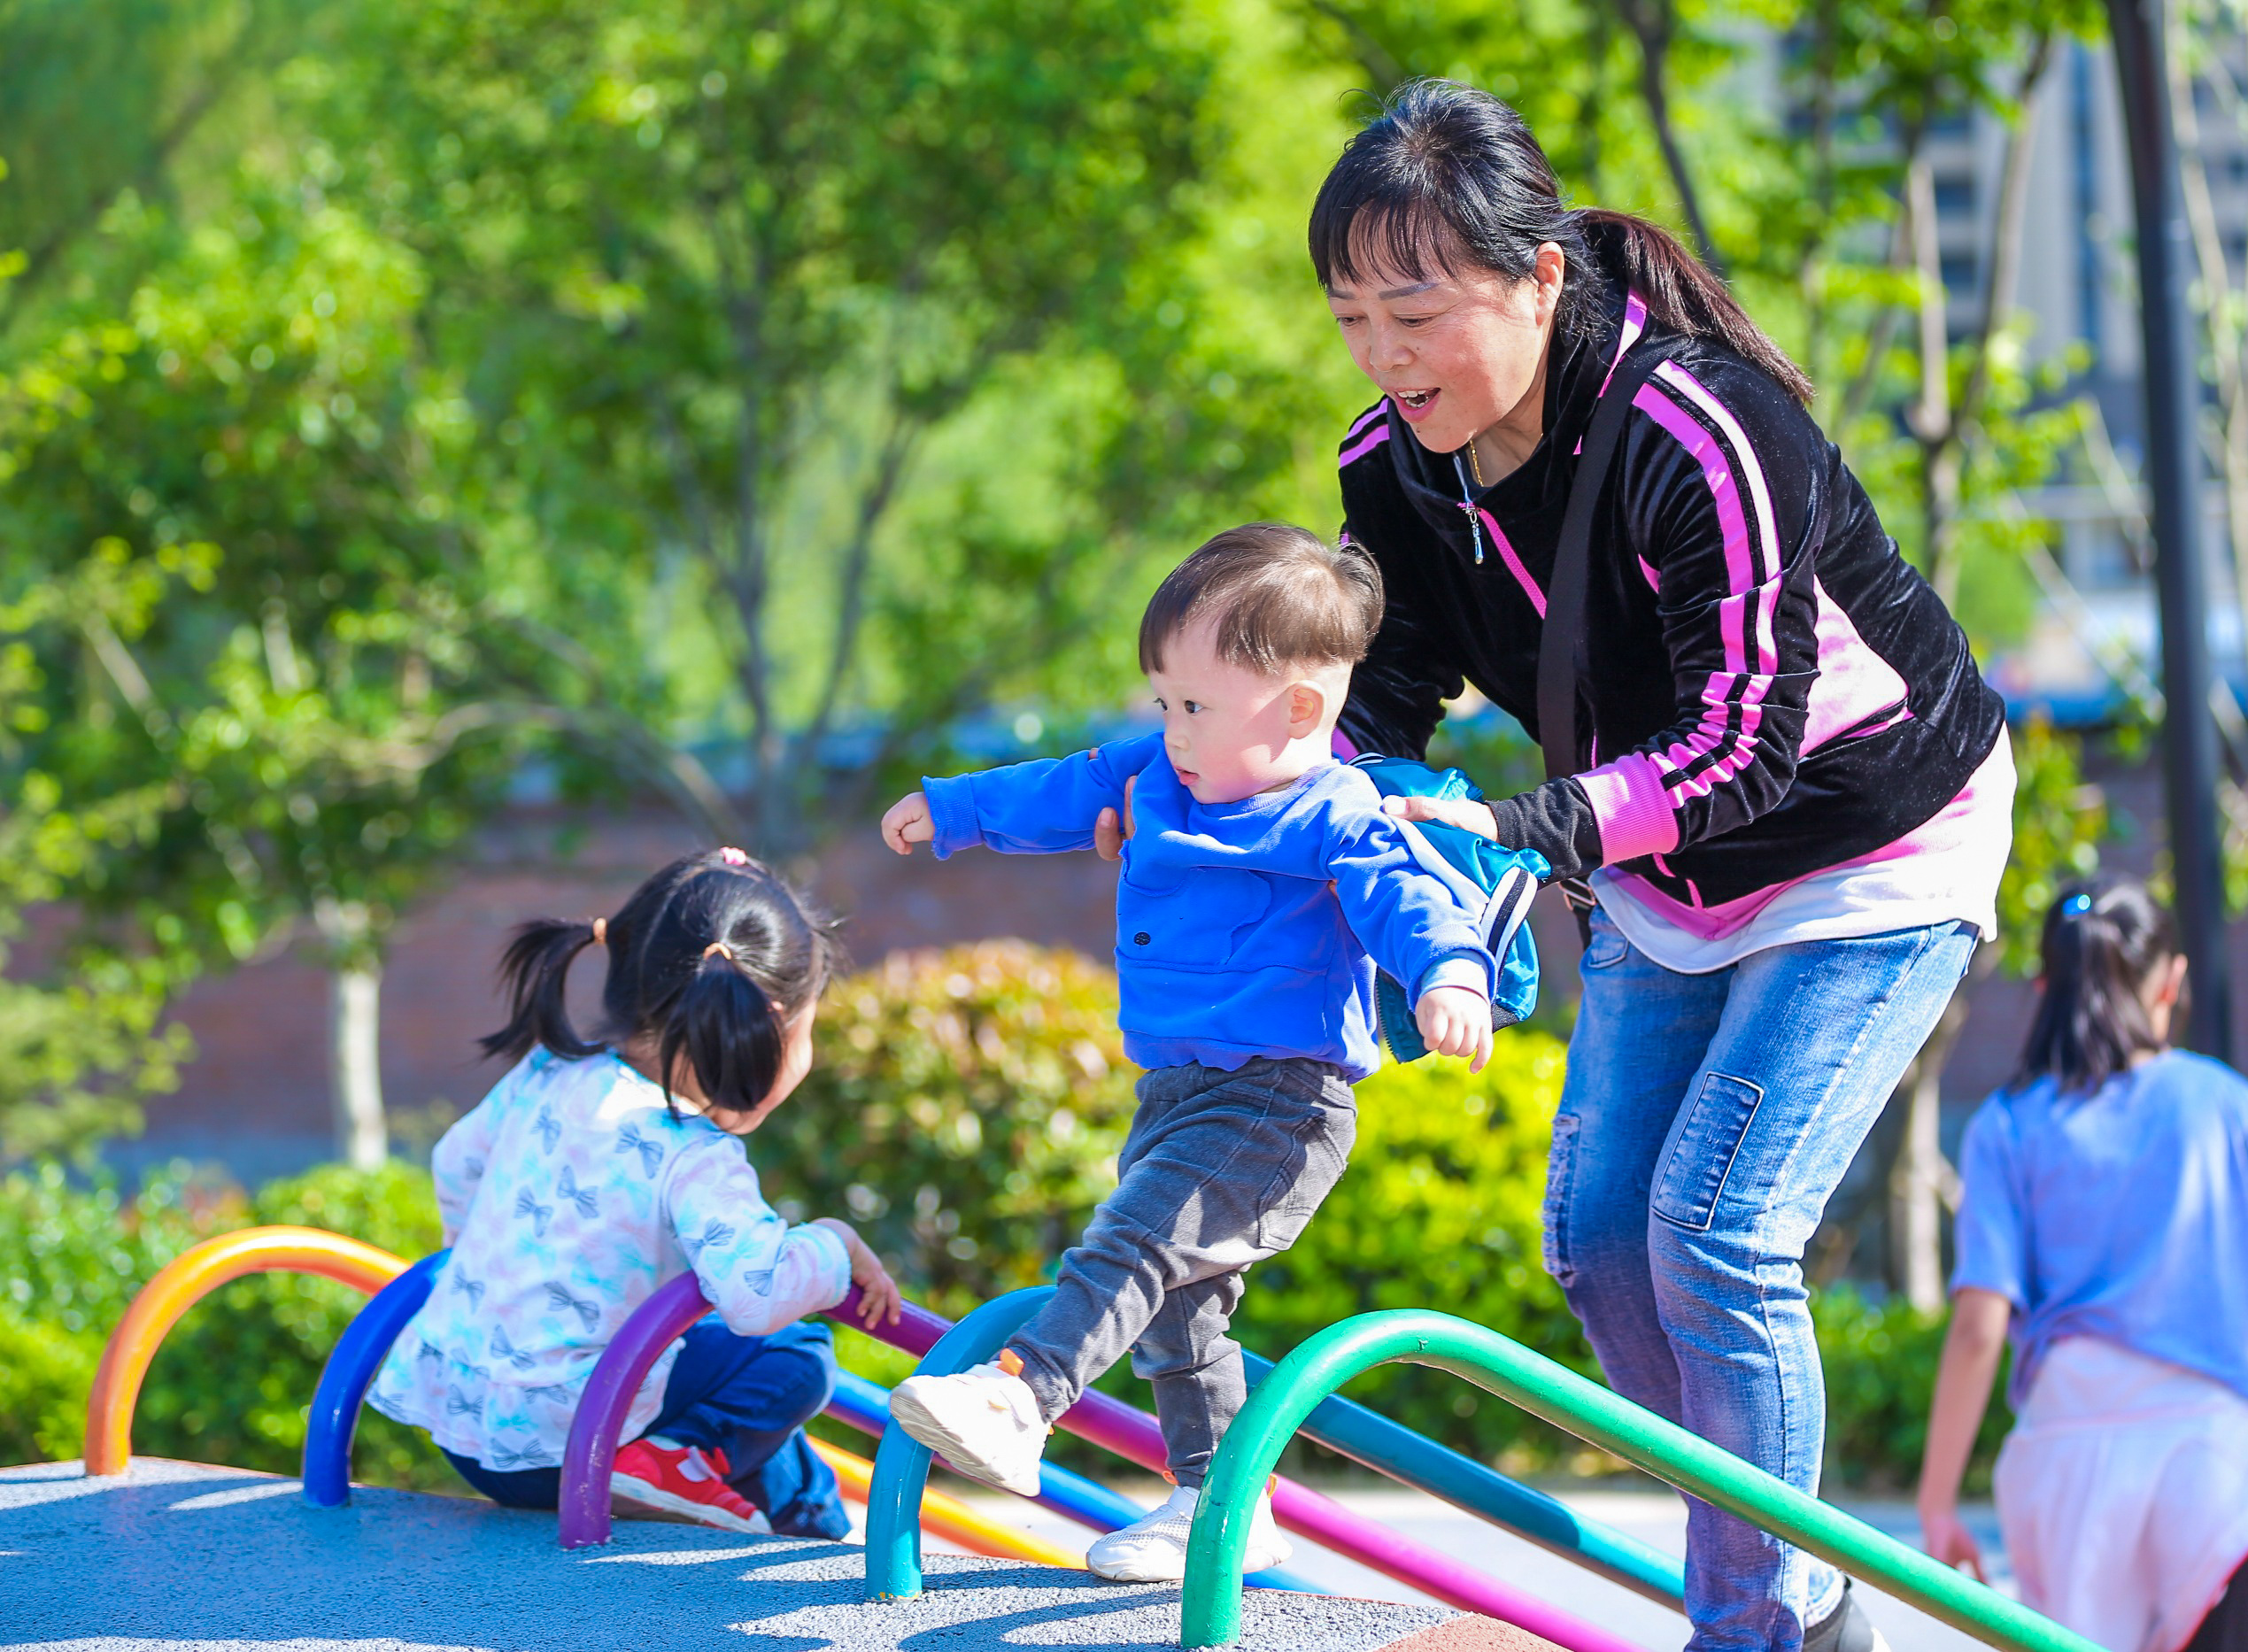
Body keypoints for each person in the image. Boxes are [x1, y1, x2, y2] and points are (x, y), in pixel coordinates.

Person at [1218, 79, 2014, 1652]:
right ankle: (1798, 1573)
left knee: (1714, 1230)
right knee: (1595, 1241)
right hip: (1665, 868)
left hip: (1872, 839)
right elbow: (1389, 689)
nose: (1384, 354)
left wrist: (1524, 832)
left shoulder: (1696, 427)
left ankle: (1755, 1624)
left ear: (1538, 278)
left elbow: (1750, 743)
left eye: (1417, 311)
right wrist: (1272, 788)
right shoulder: (1393, 464)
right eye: (1353, 316)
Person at [877, 521, 1501, 1583]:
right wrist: (951, 811)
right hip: (1176, 1090)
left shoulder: (1335, 814)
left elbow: (1410, 894)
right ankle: (1218, 1499)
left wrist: (1449, 974)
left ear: (1300, 711)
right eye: (1163, 701)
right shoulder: (1159, 778)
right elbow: (1064, 786)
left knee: (1134, 1239)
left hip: (1280, 1105)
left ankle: (1021, 1394)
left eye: (1195, 708)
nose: (1170, 730)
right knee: (1176, 1313)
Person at [1917, 882, 2248, 1652]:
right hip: (2213, 1451)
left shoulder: (2005, 1124)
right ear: (2173, 981)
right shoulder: (2223, 1103)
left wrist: (1937, 1502)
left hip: (2068, 1460)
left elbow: (1977, 1330)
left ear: (2043, 990)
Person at [369, 848, 902, 1536]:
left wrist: (486, 1272)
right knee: (797, 1356)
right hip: (574, 1436)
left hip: (470, 1423)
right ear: (768, 1023)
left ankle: (798, 1524)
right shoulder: (693, 1152)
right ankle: (696, 1483)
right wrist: (835, 1243)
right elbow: (757, 1296)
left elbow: (455, 1162)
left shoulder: (549, 1073)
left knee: (760, 1435)